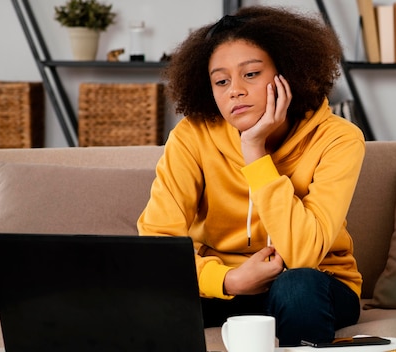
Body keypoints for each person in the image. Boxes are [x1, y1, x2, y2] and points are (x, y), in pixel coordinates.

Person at [137, 5, 365, 347]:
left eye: (251, 74)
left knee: (297, 287)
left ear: (288, 73)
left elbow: (304, 254)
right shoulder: (191, 136)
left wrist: (254, 149)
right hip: (223, 286)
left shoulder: (338, 138)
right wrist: (228, 280)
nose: (235, 91)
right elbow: (158, 244)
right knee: (132, 298)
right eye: (221, 81)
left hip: (314, 282)